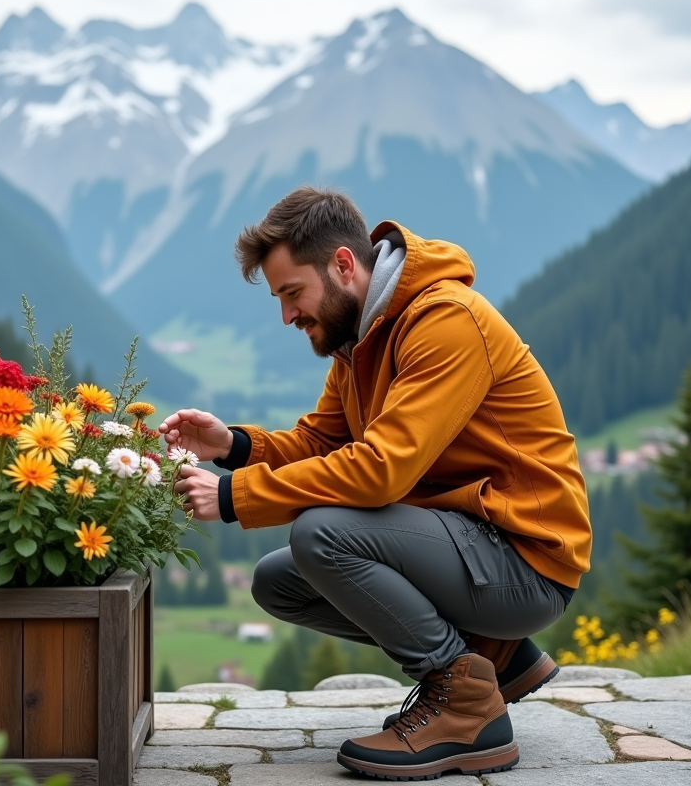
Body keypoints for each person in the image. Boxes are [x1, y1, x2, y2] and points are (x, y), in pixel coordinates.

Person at [160, 187, 591, 780]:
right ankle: (493, 656)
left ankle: (465, 706)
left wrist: (235, 497)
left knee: (323, 535)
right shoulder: (360, 338)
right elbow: (320, 443)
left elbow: (381, 468)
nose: (287, 315)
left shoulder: (445, 321)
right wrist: (233, 446)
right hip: (467, 546)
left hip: (525, 559)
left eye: (292, 293)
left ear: (342, 264)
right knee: (279, 583)